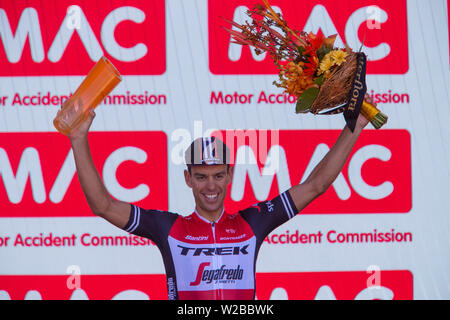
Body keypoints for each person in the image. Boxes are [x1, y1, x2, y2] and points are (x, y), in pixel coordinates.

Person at [67, 96, 374, 300]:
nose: (209, 185)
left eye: (217, 175)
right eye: (200, 176)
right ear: (188, 179)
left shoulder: (253, 221)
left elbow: (316, 184)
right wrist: (79, 139)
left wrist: (355, 126)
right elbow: (102, 205)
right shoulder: (168, 228)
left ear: (230, 176)